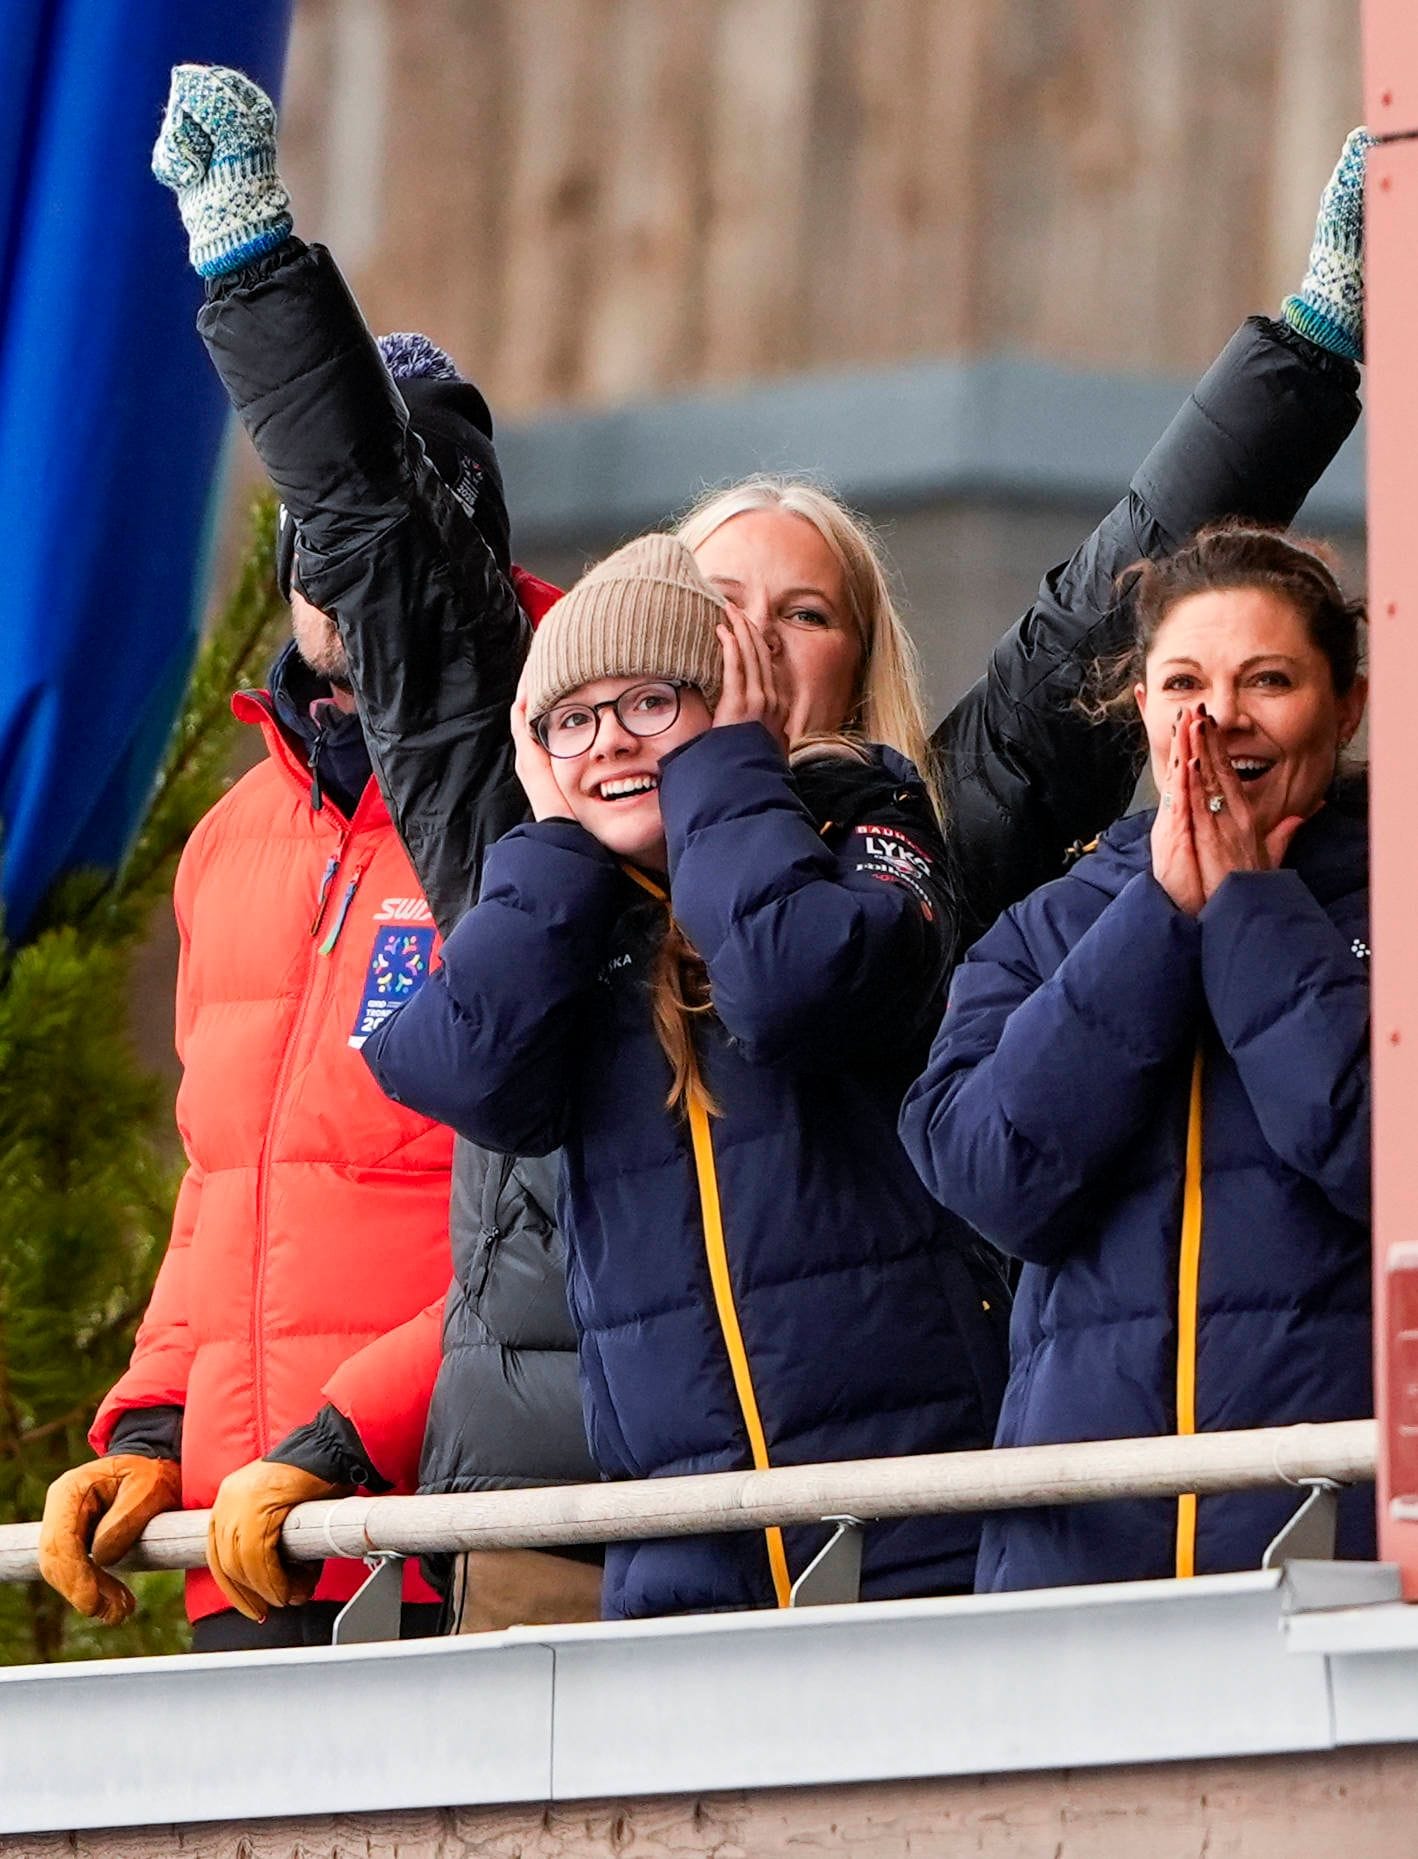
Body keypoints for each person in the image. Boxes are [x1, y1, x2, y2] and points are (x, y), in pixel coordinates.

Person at [151, 63, 1368, 1620]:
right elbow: (390, 567)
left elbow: (1113, 608)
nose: (752, 651)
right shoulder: (528, 834)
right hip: (569, 1524)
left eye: (805, 616)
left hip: (885, 1521)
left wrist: (1310, 337)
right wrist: (251, 263)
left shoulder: (911, 830)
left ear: (853, 662)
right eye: (715, 613)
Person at [363, 534, 1009, 1616]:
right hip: (680, 1542)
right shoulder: (573, 916)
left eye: (651, 702)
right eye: (573, 719)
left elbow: (789, 984)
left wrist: (721, 773)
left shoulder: (865, 823)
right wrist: (554, 839)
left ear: (728, 702)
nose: (612, 740)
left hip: (913, 1516)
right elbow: (461, 1069)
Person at [33, 332, 494, 1645]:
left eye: (378, 516)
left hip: (431, 1531)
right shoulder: (231, 839)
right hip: (236, 1548)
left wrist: (354, 1435)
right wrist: (159, 1421)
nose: (338, 563)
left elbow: (554, 1221)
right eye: (315, 520)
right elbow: (216, 1178)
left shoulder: (536, 809)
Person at [899, 522, 1371, 1590]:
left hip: (1338, 1550)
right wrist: (1152, 918)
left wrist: (1251, 907)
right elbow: (987, 1178)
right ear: (1140, 709)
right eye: (1183, 681)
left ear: (1344, 705)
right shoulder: (1046, 926)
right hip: (1081, 1569)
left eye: (1269, 679)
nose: (1220, 715)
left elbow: (1372, 1149)